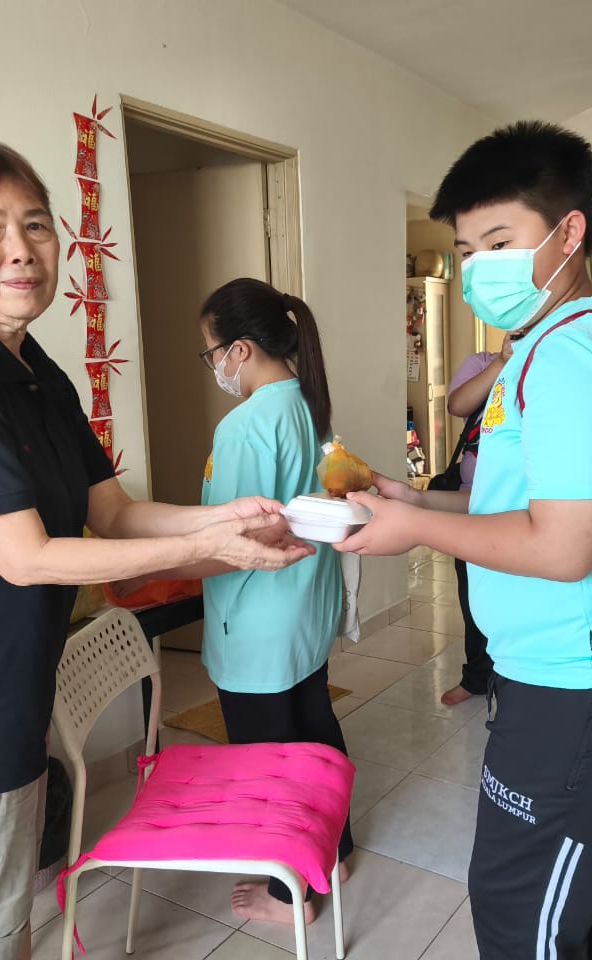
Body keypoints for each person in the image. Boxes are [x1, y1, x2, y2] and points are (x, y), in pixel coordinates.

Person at [0, 140, 311, 960]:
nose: (21, 249)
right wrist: (208, 545)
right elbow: (27, 557)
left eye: (36, 225)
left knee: (3, 916)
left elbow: (113, 512)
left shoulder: (38, 372)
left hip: (15, 688)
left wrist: (224, 518)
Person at [336, 120, 592, 959]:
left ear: (570, 233)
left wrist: (413, 530)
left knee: (517, 906)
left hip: (591, 675)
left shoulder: (574, 354)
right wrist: (415, 497)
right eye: (466, 250)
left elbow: (565, 547)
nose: (478, 268)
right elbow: (517, 501)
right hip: (576, 663)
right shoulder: (540, 348)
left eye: (500, 242)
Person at [195, 277, 353, 925]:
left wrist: (161, 561)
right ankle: (334, 856)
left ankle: (290, 896)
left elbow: (232, 539)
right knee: (314, 728)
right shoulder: (310, 405)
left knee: (268, 761)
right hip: (306, 606)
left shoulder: (246, 425)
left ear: (240, 350)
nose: (214, 368)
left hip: (259, 620)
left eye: (211, 353)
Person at [438, 333, 513, 706]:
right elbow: (457, 404)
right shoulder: (482, 362)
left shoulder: (549, 365)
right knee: (474, 596)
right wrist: (502, 361)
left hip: (521, 508)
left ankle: (516, 678)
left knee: (518, 598)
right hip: (470, 504)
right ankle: (477, 677)